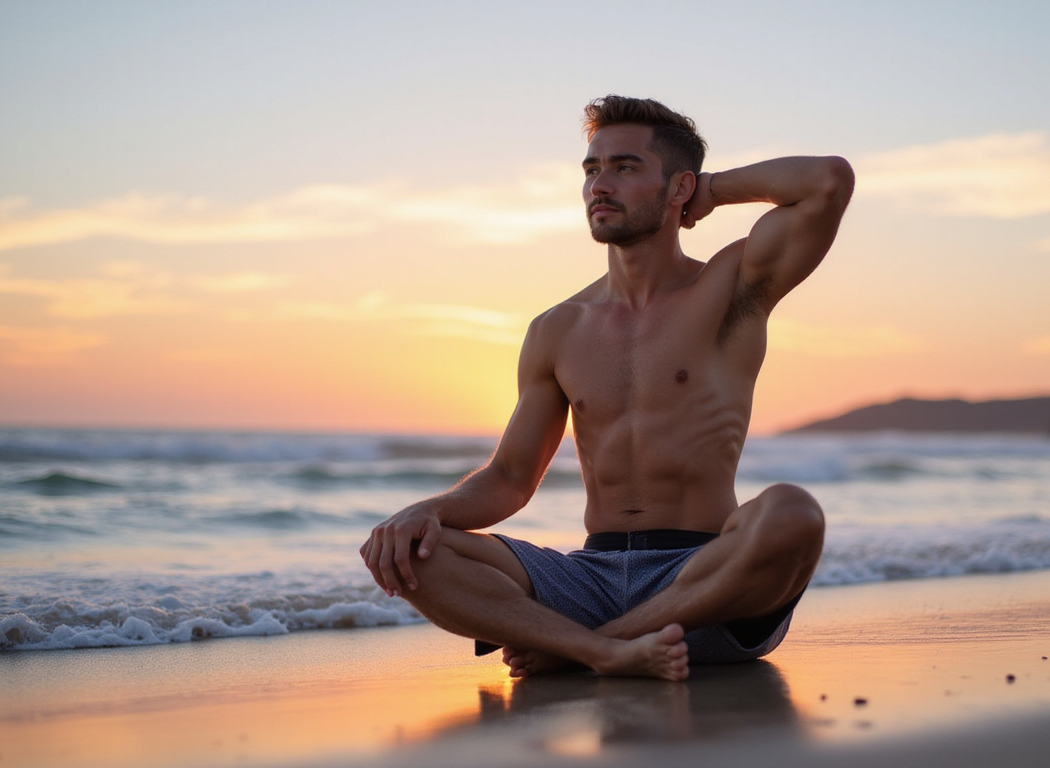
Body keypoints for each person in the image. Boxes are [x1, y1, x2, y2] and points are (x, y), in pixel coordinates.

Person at [361, 95, 854, 682]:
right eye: (592, 169)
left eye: (625, 167)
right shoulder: (557, 328)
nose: (600, 184)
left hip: (705, 580)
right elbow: (512, 479)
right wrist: (423, 511)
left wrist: (713, 190)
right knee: (414, 549)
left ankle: (591, 647)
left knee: (794, 514)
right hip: (589, 578)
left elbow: (827, 180)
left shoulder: (731, 289)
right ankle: (606, 651)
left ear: (678, 189)